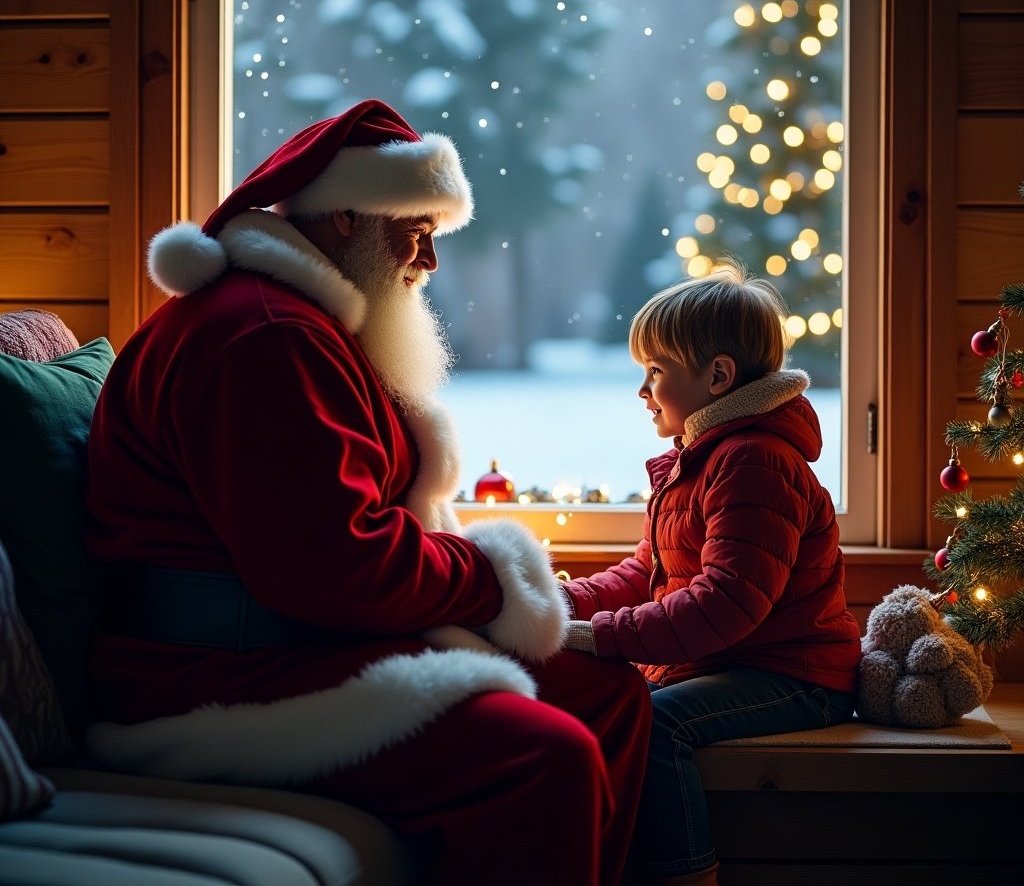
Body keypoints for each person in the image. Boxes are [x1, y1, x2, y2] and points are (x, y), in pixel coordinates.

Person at [83, 99, 652, 886]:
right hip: (218, 676)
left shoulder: (307, 325)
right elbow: (339, 567)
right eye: (416, 232)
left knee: (609, 697)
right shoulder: (265, 339)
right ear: (347, 214)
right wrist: (489, 578)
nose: (429, 263)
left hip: (302, 639)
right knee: (543, 758)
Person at [559, 261, 861, 886]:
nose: (643, 392)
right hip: (730, 663)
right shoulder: (695, 461)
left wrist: (603, 636)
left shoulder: (754, 461)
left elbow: (724, 603)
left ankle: (683, 872)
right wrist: (560, 604)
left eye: (657, 372)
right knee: (611, 699)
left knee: (654, 721)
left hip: (795, 674)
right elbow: (647, 573)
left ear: (718, 376)